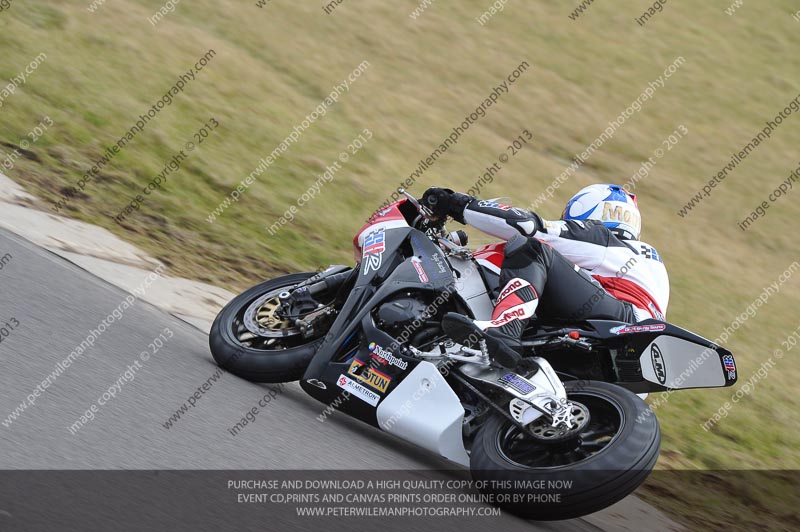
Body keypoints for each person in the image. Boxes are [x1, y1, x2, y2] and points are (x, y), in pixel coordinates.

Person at [420, 184, 669, 369]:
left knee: (531, 248)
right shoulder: (648, 262)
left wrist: (456, 204)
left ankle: (506, 329)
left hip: (617, 321)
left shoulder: (601, 237)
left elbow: (528, 226)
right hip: (639, 351)